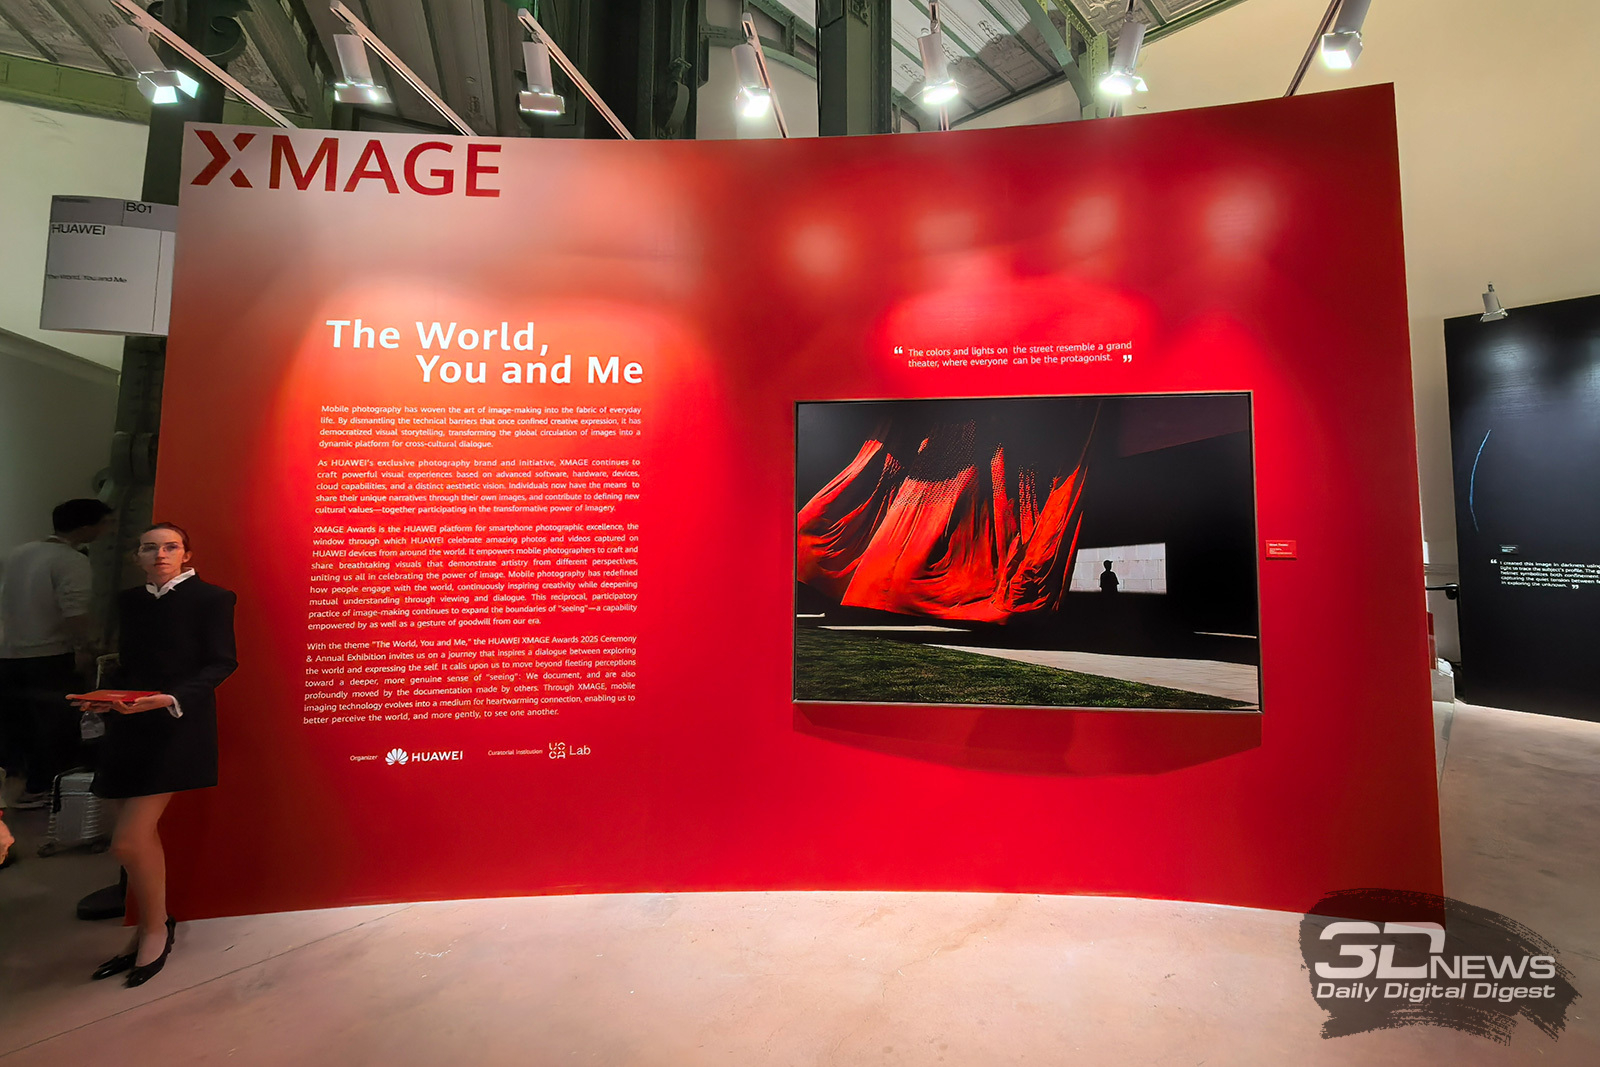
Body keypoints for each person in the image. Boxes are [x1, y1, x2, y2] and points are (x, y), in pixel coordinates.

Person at [74, 522, 236, 988]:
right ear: (137, 557)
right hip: (129, 722)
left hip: (176, 724)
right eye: (150, 548)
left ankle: (155, 928)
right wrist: (105, 698)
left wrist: (169, 698)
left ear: (186, 554)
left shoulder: (213, 598)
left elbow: (223, 661)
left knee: (127, 841)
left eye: (170, 547)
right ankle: (151, 925)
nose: (160, 554)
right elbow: (128, 663)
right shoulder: (131, 601)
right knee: (138, 841)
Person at [0, 499, 113, 809]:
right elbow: (75, 611)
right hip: (49, 654)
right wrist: (87, 647)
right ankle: (43, 788)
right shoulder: (71, 560)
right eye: (105, 523)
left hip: (8, 653)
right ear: (86, 527)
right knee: (54, 726)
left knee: (17, 725)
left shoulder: (19, 553)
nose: (107, 530)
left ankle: (18, 787)